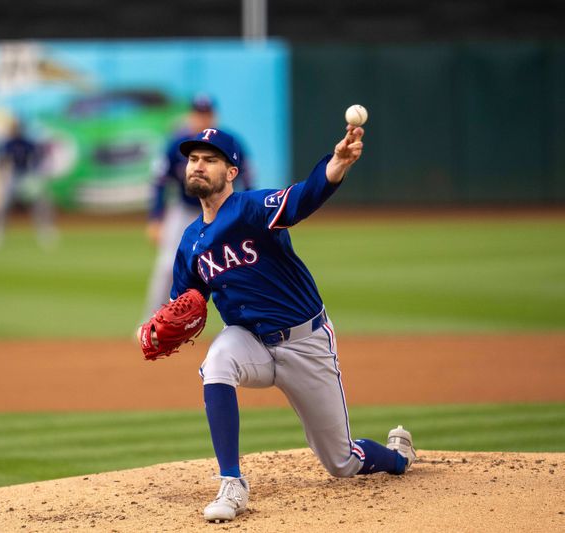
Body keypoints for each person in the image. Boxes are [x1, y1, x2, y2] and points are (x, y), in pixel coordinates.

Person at [168, 126, 417, 523]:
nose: (199, 166)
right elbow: (183, 303)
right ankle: (231, 482)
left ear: (231, 172)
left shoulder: (252, 208)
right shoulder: (189, 242)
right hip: (250, 342)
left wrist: (336, 164)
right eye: (194, 159)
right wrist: (169, 323)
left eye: (210, 160)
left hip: (305, 342)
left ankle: (399, 455)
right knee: (217, 362)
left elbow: (303, 196)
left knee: (341, 462)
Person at [141, 94, 253, 320]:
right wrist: (156, 217)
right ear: (190, 115)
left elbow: (249, 178)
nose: (201, 119)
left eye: (206, 114)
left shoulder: (231, 144)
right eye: (197, 114)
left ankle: (248, 320)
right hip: (184, 211)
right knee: (166, 267)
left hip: (223, 209)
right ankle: (151, 321)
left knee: (238, 263)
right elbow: (159, 182)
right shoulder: (176, 145)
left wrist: (249, 213)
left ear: (214, 116)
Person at [0, 120, 57, 251]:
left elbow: (38, 158)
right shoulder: (7, 143)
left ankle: (45, 232)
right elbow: (0, 160)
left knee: (41, 204)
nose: (16, 131)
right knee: (1, 206)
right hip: (12, 176)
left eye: (18, 128)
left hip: (27, 176)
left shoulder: (27, 143)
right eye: (14, 128)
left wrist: (37, 175)